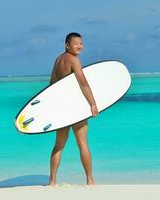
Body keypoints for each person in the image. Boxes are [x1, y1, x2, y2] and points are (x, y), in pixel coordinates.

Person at [48, 32, 99, 186]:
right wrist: (92, 103)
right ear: (67, 45)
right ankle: (90, 180)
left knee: (59, 145)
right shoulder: (74, 60)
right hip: (74, 108)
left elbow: (52, 84)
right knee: (83, 143)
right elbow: (83, 83)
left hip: (61, 108)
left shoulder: (58, 59)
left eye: (81, 43)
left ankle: (52, 181)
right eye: (76, 43)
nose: (80, 46)